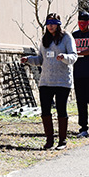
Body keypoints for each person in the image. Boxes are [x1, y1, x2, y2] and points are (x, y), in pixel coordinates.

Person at [21, 13, 77, 150]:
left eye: (53, 23)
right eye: (48, 23)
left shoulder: (66, 37)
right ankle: (49, 140)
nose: (50, 26)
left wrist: (64, 57)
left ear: (58, 24)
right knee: (45, 111)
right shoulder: (44, 39)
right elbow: (40, 59)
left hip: (62, 81)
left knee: (61, 110)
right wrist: (29, 60)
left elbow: (74, 56)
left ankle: (62, 141)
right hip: (46, 81)